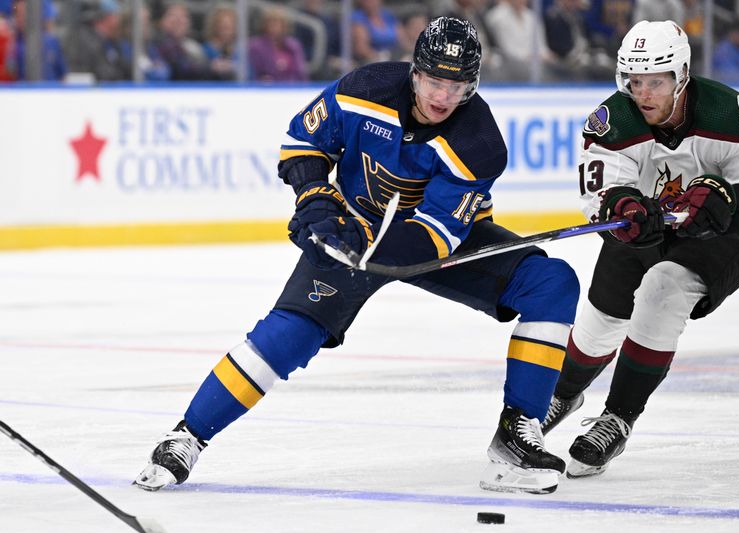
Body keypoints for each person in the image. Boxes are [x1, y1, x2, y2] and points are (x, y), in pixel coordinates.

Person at [133, 16, 579, 495]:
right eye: (434, 80)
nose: (442, 96)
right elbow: (303, 142)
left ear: (472, 85)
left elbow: (436, 236)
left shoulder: (479, 143)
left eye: (457, 85)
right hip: (352, 222)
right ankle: (188, 436)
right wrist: (316, 199)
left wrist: (356, 247)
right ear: (415, 71)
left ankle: (516, 438)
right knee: (289, 334)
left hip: (425, 240)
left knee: (550, 283)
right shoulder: (363, 89)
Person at [541, 20, 739, 478]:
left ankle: (618, 417)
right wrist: (625, 206)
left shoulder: (729, 114)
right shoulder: (612, 121)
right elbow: (601, 194)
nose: (644, 93)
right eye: (635, 81)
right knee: (600, 320)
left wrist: (725, 199)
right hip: (651, 229)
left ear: (682, 76)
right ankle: (563, 393)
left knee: (662, 289)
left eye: (656, 81)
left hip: (723, 237)